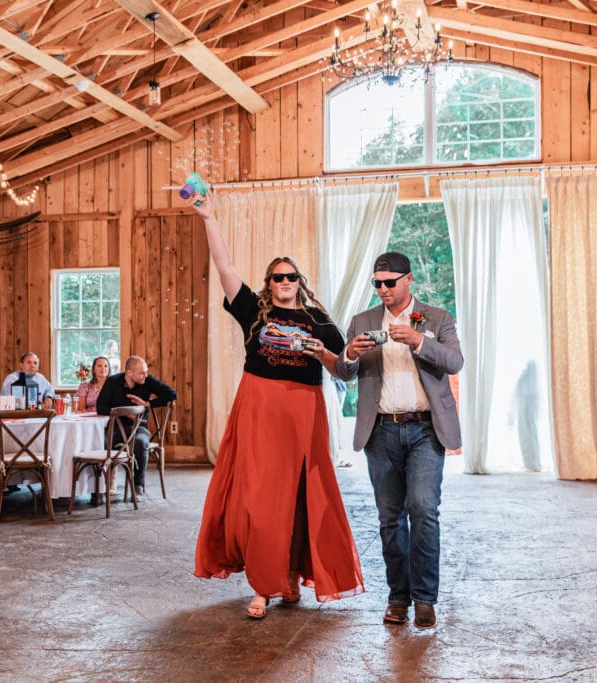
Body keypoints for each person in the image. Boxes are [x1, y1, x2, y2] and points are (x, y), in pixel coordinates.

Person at [190, 197, 364, 620]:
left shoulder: (319, 320)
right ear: (269, 283)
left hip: (303, 411)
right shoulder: (253, 310)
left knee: (302, 498)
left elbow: (342, 370)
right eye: (277, 277)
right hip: (260, 407)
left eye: (291, 276)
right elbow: (224, 266)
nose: (285, 281)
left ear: (299, 282)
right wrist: (209, 217)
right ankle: (263, 585)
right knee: (261, 500)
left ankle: (287, 575)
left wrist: (322, 352)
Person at [335, 251, 464, 630]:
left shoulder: (438, 318)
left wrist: (419, 341)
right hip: (381, 431)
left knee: (423, 509)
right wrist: (350, 354)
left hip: (425, 429)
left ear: (408, 280)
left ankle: (425, 599)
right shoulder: (362, 321)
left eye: (390, 282)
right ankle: (398, 597)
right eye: (377, 283)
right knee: (390, 518)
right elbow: (343, 372)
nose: (383, 289)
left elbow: (455, 362)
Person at [96, 356, 176, 496]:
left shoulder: (148, 381)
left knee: (140, 442)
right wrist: (127, 413)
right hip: (115, 428)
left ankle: (137, 485)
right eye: (141, 373)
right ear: (129, 373)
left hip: (139, 428)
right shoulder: (113, 381)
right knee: (99, 441)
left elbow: (172, 394)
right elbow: (101, 407)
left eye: (146, 372)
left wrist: (147, 404)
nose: (146, 375)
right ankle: (99, 489)